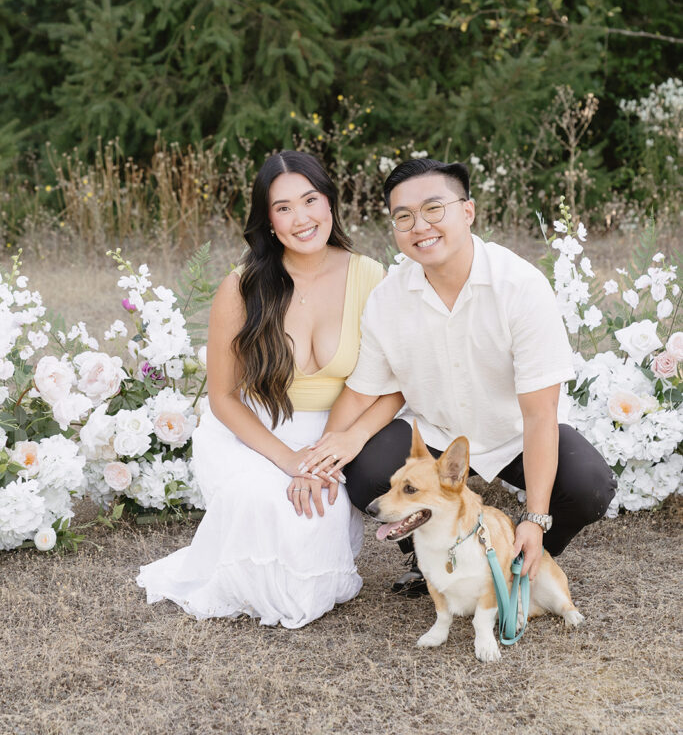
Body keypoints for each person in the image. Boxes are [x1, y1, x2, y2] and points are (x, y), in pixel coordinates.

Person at [298, 157, 616, 593]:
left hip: (514, 432)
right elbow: (362, 391)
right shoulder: (389, 298)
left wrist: (536, 519)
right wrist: (322, 458)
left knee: (588, 485)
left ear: (467, 211)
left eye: (433, 209)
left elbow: (541, 416)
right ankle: (425, 558)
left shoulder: (520, 287)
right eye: (403, 216)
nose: (419, 226)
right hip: (436, 432)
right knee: (367, 468)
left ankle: (521, 555)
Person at [137, 150, 403, 628]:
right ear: (268, 221)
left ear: (330, 204)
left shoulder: (372, 278)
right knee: (268, 504)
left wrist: (344, 443)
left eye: (311, 200)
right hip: (256, 435)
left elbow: (395, 386)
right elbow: (222, 398)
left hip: (336, 433)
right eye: (283, 208)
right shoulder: (241, 288)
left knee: (313, 520)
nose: (301, 218)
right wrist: (290, 460)